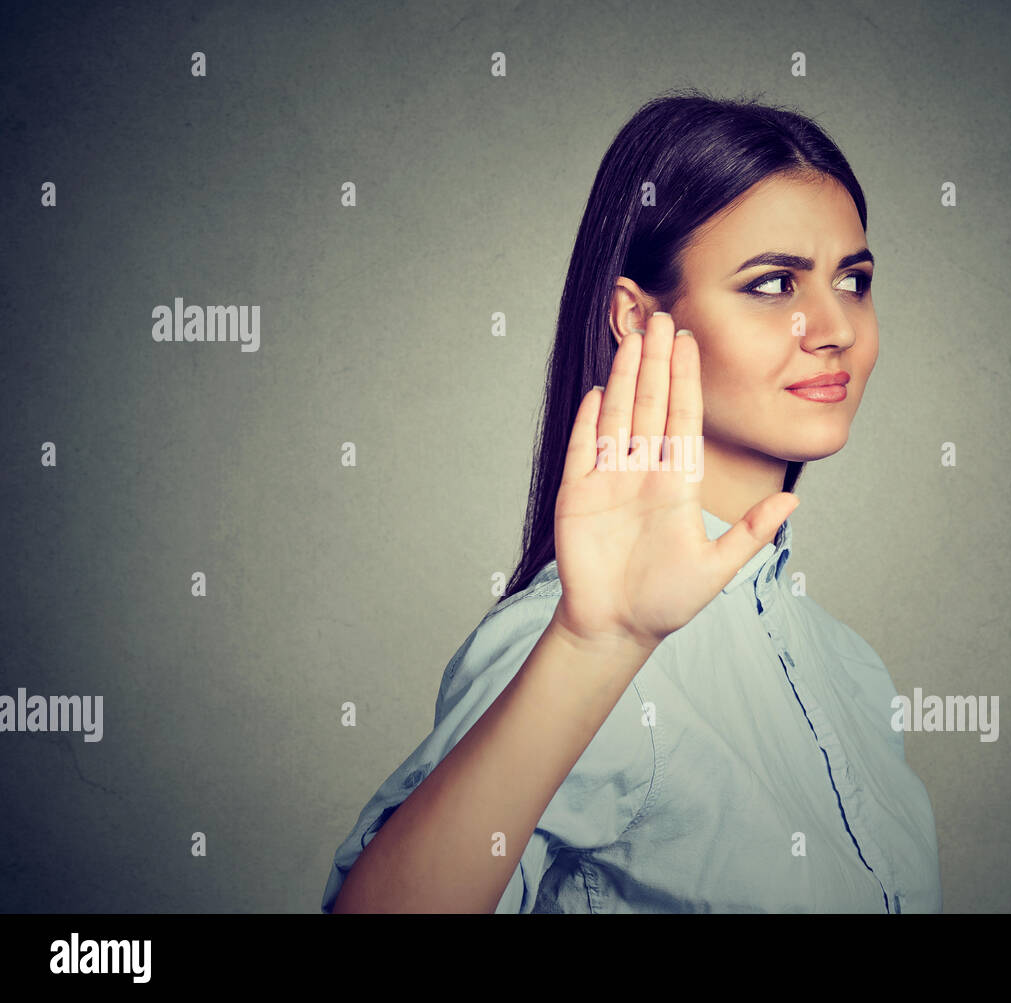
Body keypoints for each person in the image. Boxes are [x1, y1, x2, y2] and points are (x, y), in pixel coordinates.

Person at [322, 88, 942, 913]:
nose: (832, 327)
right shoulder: (572, 640)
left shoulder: (853, 669)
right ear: (636, 318)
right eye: (771, 285)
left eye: (853, 280)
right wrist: (594, 644)